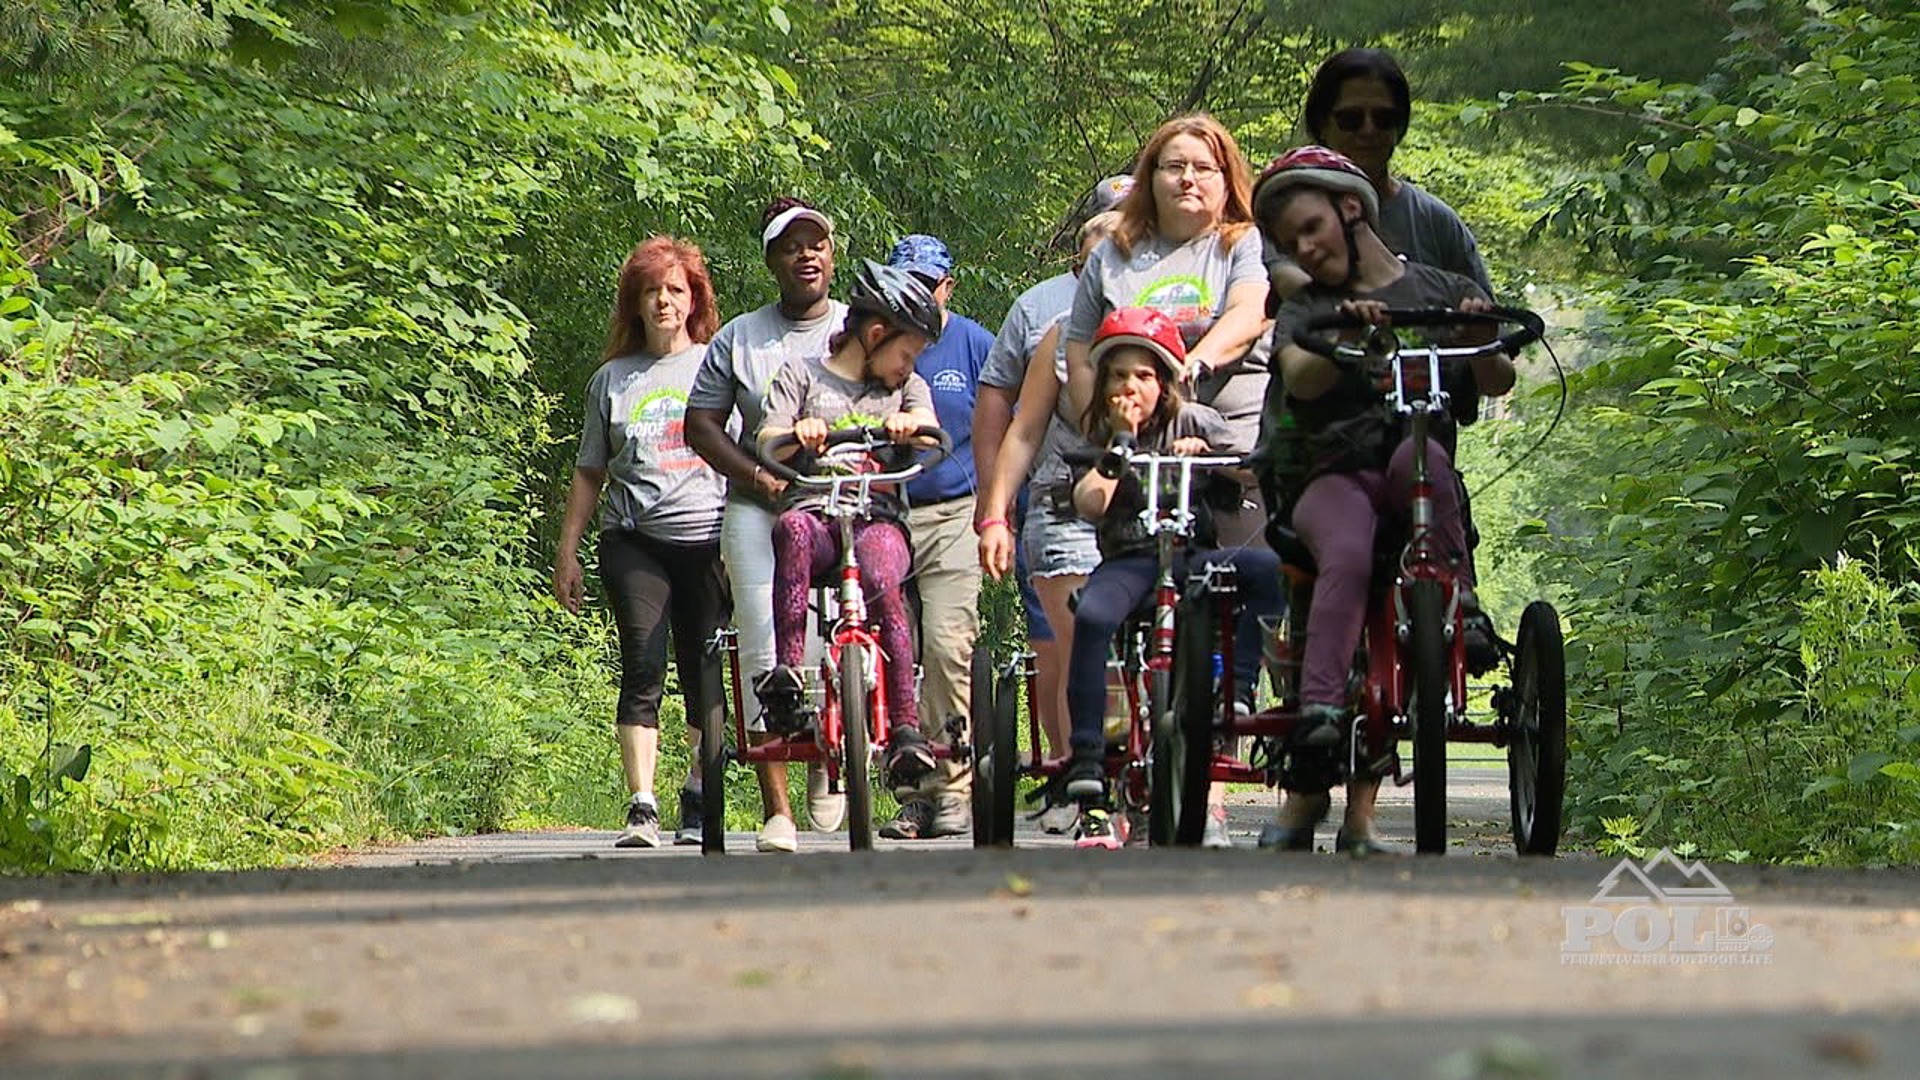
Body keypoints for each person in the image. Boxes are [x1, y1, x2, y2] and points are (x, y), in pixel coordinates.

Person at [1250, 146, 1516, 855]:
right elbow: (1301, 377)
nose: (1305, 247)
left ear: (1349, 209)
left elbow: (1495, 379)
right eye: (1290, 242)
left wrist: (1479, 337)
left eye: (1311, 227)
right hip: (1329, 475)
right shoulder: (1308, 306)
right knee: (1348, 553)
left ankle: (1460, 603)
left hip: (1410, 468)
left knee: (1428, 459)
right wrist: (1352, 334)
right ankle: (1318, 717)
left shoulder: (1435, 285)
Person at [1060, 114, 1272, 846]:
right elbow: (1080, 344)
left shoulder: (1240, 245)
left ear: (1226, 180)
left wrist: (1194, 369)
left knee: (1240, 583)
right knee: (1118, 606)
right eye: (1173, 166)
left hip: (1222, 452)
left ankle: (1227, 723)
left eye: (1204, 168)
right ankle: (1104, 765)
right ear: (1149, 177)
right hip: (1132, 466)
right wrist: (1107, 417)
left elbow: (1251, 314)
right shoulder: (1115, 253)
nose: (1188, 179)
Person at [553, 236, 730, 849]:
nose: (664, 302)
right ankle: (641, 805)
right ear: (635, 302)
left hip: (708, 537)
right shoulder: (611, 380)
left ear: (693, 300)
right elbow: (589, 471)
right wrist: (567, 548)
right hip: (635, 540)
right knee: (643, 663)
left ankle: (698, 791)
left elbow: (739, 455)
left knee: (704, 671)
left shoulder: (715, 364)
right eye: (652, 291)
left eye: (675, 290)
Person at [685, 197, 847, 853]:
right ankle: (776, 804)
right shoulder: (741, 338)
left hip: (838, 500)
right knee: (762, 635)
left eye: (816, 244)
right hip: (760, 503)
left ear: (832, 255)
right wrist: (754, 475)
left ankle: (831, 758)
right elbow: (700, 423)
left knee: (825, 632)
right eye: (790, 246)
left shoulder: (858, 326)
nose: (805, 255)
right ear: (772, 260)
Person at [973, 177, 1132, 833]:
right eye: (1098, 254)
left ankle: (1156, 779)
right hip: (1063, 500)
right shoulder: (1050, 324)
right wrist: (993, 511)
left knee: (1145, 645)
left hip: (1149, 498)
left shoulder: (1170, 326)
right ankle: (1087, 777)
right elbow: (1016, 422)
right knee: (1078, 639)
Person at [754, 260, 943, 796]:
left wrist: (912, 428)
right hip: (817, 516)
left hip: (875, 521)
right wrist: (798, 433)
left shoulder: (907, 390)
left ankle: (905, 723)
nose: (908, 367)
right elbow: (768, 437)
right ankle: (789, 676)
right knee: (790, 528)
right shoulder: (801, 374)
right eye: (906, 354)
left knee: (885, 574)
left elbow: (932, 436)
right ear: (877, 334)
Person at [878, 235, 996, 841]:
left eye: (930, 282)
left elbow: (1004, 426)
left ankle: (952, 788)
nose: (921, 292)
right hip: (885, 513)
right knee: (893, 653)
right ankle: (909, 792)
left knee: (948, 646)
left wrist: (1001, 510)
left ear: (948, 284)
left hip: (953, 513)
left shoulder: (975, 344)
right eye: (910, 282)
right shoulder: (874, 341)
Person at [1267, 47, 1493, 304]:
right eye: (1350, 119)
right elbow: (1288, 281)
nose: (1368, 129)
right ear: (1322, 124)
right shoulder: (1287, 216)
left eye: (1384, 118)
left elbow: (1489, 320)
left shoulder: (1435, 221)